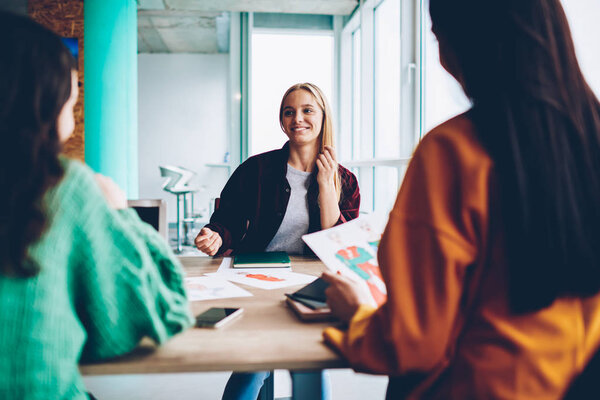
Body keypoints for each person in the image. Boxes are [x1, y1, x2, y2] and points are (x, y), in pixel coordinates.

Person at [321, 0, 600, 398]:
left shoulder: (453, 152)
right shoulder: (588, 142)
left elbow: (412, 345)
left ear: (468, 40)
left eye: (438, 38)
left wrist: (358, 316)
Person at [0, 12, 193, 400]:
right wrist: (121, 213)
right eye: (69, 107)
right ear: (39, 107)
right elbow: (159, 311)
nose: (71, 124)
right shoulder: (62, 186)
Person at [196, 83, 360, 399]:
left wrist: (327, 188)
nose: (297, 118)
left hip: (313, 284)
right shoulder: (255, 169)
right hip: (254, 280)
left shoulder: (345, 180)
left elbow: (340, 245)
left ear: (323, 117)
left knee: (309, 365)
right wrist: (215, 234)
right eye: (289, 111)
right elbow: (227, 219)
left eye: (307, 110)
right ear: (282, 120)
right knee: (254, 363)